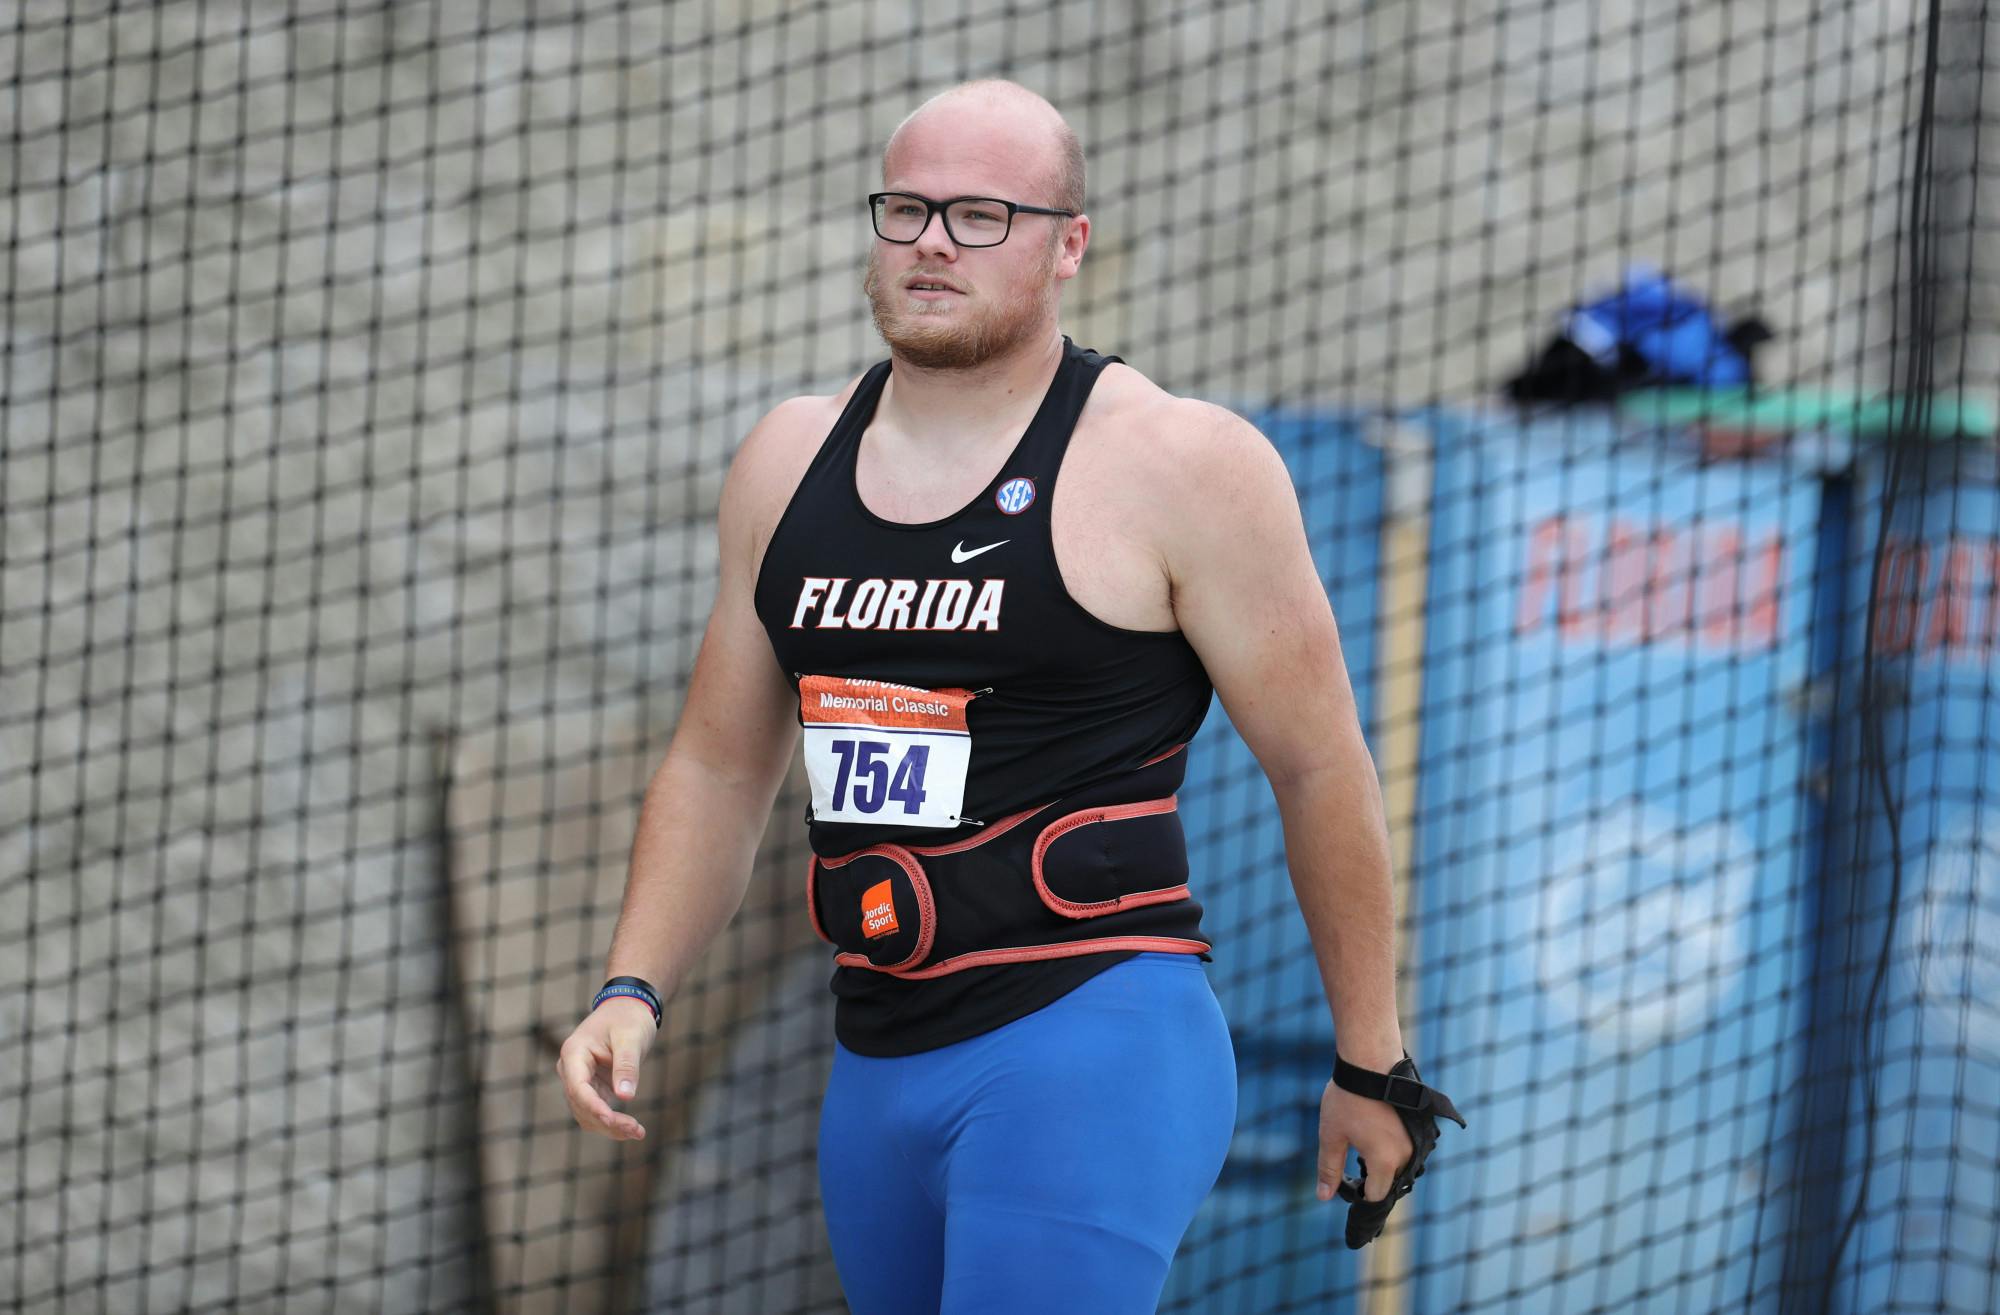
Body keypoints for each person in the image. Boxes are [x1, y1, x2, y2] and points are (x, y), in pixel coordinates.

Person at [558, 78, 1444, 1312]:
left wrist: (1372, 1057)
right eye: (906, 207)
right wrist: (629, 987)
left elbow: (1318, 763)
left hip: (1088, 1044)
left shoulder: (1178, 463)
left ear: (1067, 244)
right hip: (873, 1058)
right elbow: (719, 765)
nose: (930, 239)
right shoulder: (786, 459)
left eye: (981, 214)